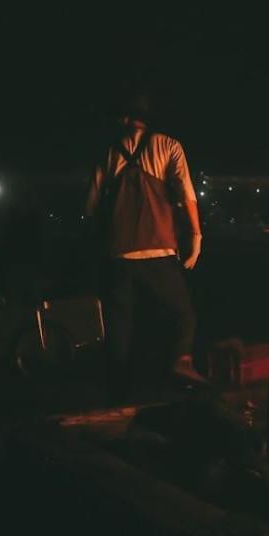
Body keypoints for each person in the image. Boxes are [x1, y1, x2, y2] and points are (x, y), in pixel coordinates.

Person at [85, 93, 204, 400]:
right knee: (182, 314)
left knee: (120, 324)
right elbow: (187, 193)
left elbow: (92, 205)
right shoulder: (169, 145)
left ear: (125, 119)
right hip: (157, 251)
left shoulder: (110, 152)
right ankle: (180, 364)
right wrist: (196, 237)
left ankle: (117, 391)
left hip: (118, 253)